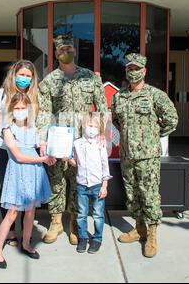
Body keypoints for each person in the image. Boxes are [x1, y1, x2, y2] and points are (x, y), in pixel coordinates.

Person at [37, 33, 108, 245]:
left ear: (74, 50)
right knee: (57, 181)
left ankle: (75, 223)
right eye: (61, 50)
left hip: (85, 141)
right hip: (58, 141)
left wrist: (103, 133)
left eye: (68, 49)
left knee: (79, 182)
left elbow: (102, 106)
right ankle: (56, 222)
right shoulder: (49, 81)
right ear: (55, 53)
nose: (65, 53)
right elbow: (43, 113)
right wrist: (42, 140)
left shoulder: (90, 77)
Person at [111, 53, 178, 258]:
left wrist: (151, 136)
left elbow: (171, 120)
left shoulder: (155, 95)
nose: (133, 72)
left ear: (144, 71)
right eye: (130, 69)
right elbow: (115, 120)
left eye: (137, 69)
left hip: (147, 156)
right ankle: (139, 228)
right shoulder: (119, 96)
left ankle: (152, 235)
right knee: (132, 194)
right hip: (127, 156)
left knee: (149, 196)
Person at [0, 93, 55, 269]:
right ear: (11, 110)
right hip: (19, 173)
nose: (20, 111)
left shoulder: (33, 128)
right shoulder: (8, 129)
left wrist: (48, 151)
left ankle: (26, 243)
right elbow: (18, 156)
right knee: (12, 213)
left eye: (23, 108)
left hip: (34, 173)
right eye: (17, 108)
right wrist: (43, 160)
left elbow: (40, 146)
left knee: (30, 212)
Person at [0, 60, 42, 247]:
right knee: (8, 188)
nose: (24, 79)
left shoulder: (35, 95)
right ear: (14, 74)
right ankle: (10, 232)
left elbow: (39, 123)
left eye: (28, 76)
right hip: (4, 149)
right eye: (22, 75)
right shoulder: (1, 95)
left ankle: (25, 232)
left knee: (27, 190)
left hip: (28, 147)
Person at [64, 112, 112, 254]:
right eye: (89, 125)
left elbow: (105, 166)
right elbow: (76, 163)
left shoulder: (100, 144)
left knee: (97, 214)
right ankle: (83, 238)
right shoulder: (77, 143)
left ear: (99, 128)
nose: (91, 128)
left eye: (95, 126)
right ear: (83, 126)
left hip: (97, 185)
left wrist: (104, 186)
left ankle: (97, 239)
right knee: (81, 214)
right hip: (82, 186)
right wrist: (67, 159)